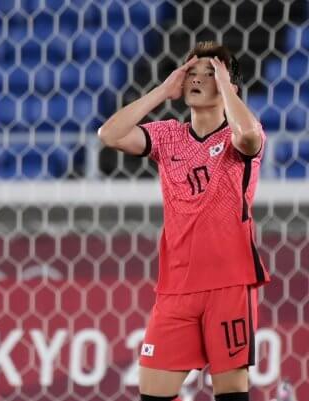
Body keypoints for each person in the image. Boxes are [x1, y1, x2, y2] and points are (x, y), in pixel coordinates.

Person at [98, 41, 269, 401]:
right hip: (176, 285)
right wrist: (162, 90)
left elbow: (250, 137)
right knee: (153, 392)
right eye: (193, 73)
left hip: (229, 281)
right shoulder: (168, 136)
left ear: (227, 85)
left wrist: (226, 88)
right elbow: (109, 135)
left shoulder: (238, 136)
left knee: (231, 392)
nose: (198, 79)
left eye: (211, 74)